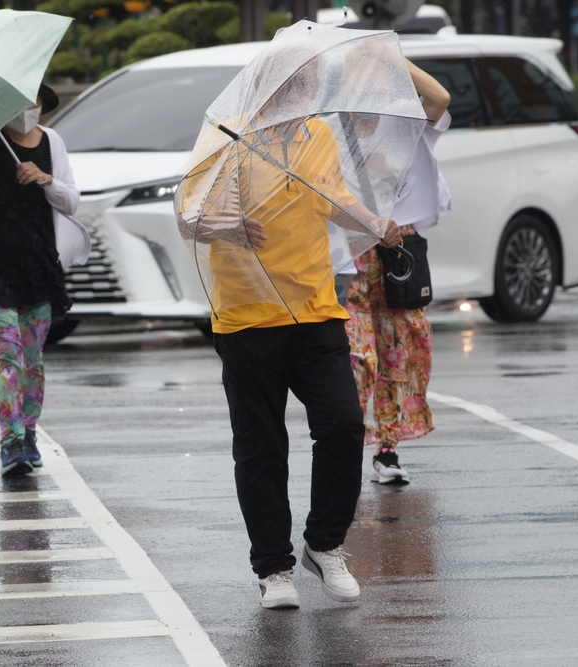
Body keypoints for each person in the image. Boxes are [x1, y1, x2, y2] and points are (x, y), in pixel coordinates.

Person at [178, 58, 402, 609]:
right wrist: (227, 227)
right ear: (268, 88)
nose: (303, 92)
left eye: (308, 84)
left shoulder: (317, 136)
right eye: (294, 84)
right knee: (261, 445)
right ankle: (273, 568)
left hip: (315, 308)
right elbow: (187, 216)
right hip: (247, 315)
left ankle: (324, 544)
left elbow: (333, 198)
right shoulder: (227, 135)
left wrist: (375, 224)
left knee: (344, 426)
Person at [0, 83, 87, 477]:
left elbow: (72, 201)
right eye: (21, 102)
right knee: (7, 353)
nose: (29, 109)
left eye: (35, 102)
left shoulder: (53, 141)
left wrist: (45, 179)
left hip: (39, 265)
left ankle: (28, 433)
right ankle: (10, 441)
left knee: (32, 360)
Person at [344, 60, 451, 484]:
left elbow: (439, 98)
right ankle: (346, 447)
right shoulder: (331, 128)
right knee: (358, 356)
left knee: (401, 348)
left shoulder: (403, 123)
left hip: (396, 248)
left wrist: (388, 56)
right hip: (351, 253)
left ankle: (387, 450)